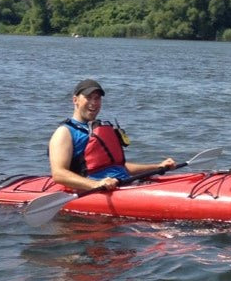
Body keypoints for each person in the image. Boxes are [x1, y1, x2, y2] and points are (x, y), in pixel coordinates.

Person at [48, 79, 176, 195]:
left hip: (125, 183)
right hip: (100, 190)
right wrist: (96, 184)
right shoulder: (64, 132)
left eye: (97, 98)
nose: (94, 102)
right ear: (75, 100)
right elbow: (59, 174)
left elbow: (119, 166)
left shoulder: (99, 128)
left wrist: (158, 166)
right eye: (88, 97)